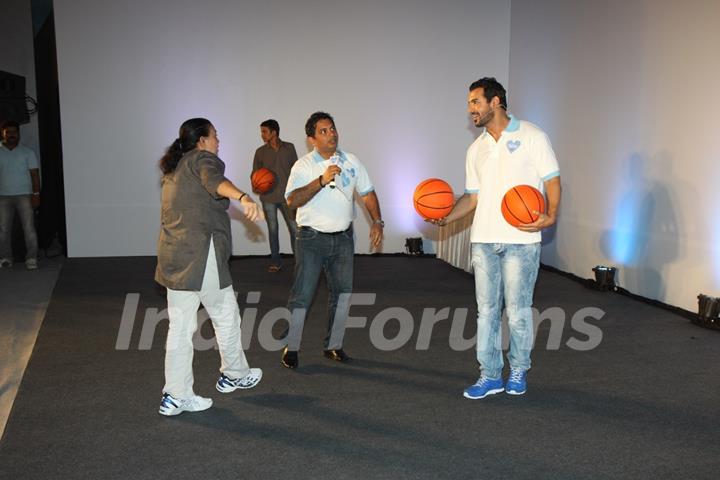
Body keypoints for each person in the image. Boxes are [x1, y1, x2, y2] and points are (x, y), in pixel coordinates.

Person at [431, 77, 561, 399]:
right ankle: (489, 375)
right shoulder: (475, 149)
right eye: (469, 103)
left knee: (517, 311)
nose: (470, 109)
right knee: (486, 312)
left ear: (496, 101)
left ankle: (518, 369)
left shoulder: (533, 136)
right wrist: (447, 216)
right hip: (484, 241)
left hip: (522, 241)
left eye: (475, 102)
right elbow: (472, 198)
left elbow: (553, 179)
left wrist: (553, 212)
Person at [155, 118, 263, 416]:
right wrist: (243, 196)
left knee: (179, 328)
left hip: (174, 259)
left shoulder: (173, 169)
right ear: (201, 140)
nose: (218, 141)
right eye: (215, 136)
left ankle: (175, 395)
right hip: (202, 257)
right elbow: (214, 182)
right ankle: (235, 374)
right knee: (226, 315)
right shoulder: (203, 159)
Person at [280, 111, 384, 369]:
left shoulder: (352, 161)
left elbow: (368, 193)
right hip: (311, 239)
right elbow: (292, 200)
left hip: (343, 240)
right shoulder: (303, 166)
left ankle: (333, 346)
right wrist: (321, 180)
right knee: (302, 296)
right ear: (311, 139)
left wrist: (377, 221)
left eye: (333, 129)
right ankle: (292, 347)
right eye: (324, 131)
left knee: (343, 295)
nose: (331, 134)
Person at [252, 119, 298, 272]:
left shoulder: (290, 148)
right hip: (268, 198)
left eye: (264, 131)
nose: (262, 135)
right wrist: (257, 184)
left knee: (295, 230)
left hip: (288, 197)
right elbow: (254, 175)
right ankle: (275, 261)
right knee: (273, 230)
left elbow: (296, 172)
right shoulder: (260, 152)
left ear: (274, 132)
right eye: (261, 132)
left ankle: (300, 262)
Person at [0, 121, 40, 270]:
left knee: (29, 228)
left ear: (18, 134)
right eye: (8, 132)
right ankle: (5, 257)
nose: (11, 135)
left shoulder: (27, 152)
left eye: (14, 132)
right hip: (2, 196)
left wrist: (36, 194)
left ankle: (31, 258)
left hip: (25, 195)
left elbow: (35, 174)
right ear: (3, 133)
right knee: (3, 229)